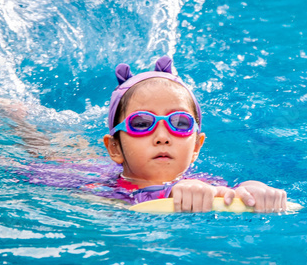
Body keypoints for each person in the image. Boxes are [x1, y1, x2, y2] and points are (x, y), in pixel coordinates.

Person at [101, 56, 289, 212]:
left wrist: (251, 192)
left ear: (196, 147)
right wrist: (168, 193)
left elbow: (228, 195)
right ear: (115, 148)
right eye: (141, 124)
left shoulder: (205, 184)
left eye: (180, 123)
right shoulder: (100, 190)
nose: (162, 137)